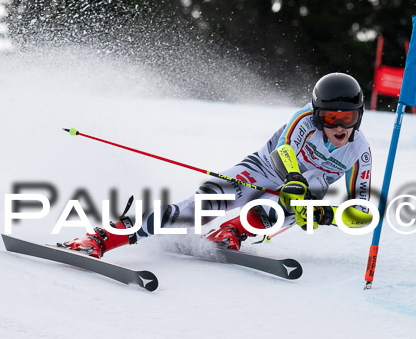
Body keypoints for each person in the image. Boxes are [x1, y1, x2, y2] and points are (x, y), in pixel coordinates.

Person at [63, 72, 373, 258]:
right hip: (259, 171)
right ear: (318, 114)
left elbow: (361, 211)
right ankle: (105, 237)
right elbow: (284, 150)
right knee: (201, 207)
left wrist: (326, 213)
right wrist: (293, 177)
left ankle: (232, 232)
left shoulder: (359, 152)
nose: (340, 126)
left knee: (270, 211)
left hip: (292, 198)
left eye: (349, 117)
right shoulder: (305, 119)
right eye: (331, 117)